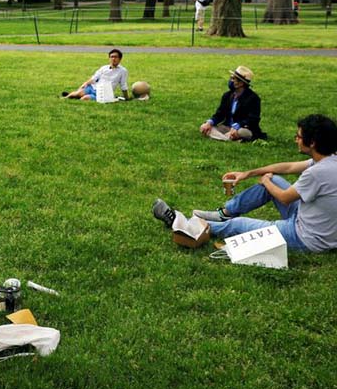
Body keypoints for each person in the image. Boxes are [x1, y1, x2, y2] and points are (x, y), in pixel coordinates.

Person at [154, 114, 337, 253]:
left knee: (238, 224)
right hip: (314, 222)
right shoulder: (329, 160)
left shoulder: (317, 173)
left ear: (312, 143)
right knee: (273, 180)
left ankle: (183, 224)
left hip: (306, 237)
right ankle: (224, 214)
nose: (295, 139)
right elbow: (289, 167)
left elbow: (284, 198)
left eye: (299, 136)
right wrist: (248, 174)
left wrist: (265, 181)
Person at [199, 66, 265, 141]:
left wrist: (238, 125)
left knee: (242, 133)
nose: (231, 80)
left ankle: (223, 137)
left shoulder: (253, 98)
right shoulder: (227, 95)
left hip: (243, 128)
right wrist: (209, 122)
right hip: (228, 127)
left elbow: (253, 119)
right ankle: (228, 138)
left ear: (241, 83)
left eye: (233, 78)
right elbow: (220, 114)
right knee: (205, 128)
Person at [62, 48, 129, 101]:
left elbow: (123, 85)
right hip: (93, 87)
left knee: (84, 98)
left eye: (116, 57)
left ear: (120, 59)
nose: (113, 59)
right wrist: (85, 83)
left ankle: (77, 96)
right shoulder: (104, 68)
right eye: (111, 57)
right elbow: (94, 78)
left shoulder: (123, 71)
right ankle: (66, 97)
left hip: (103, 93)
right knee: (77, 93)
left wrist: (126, 97)